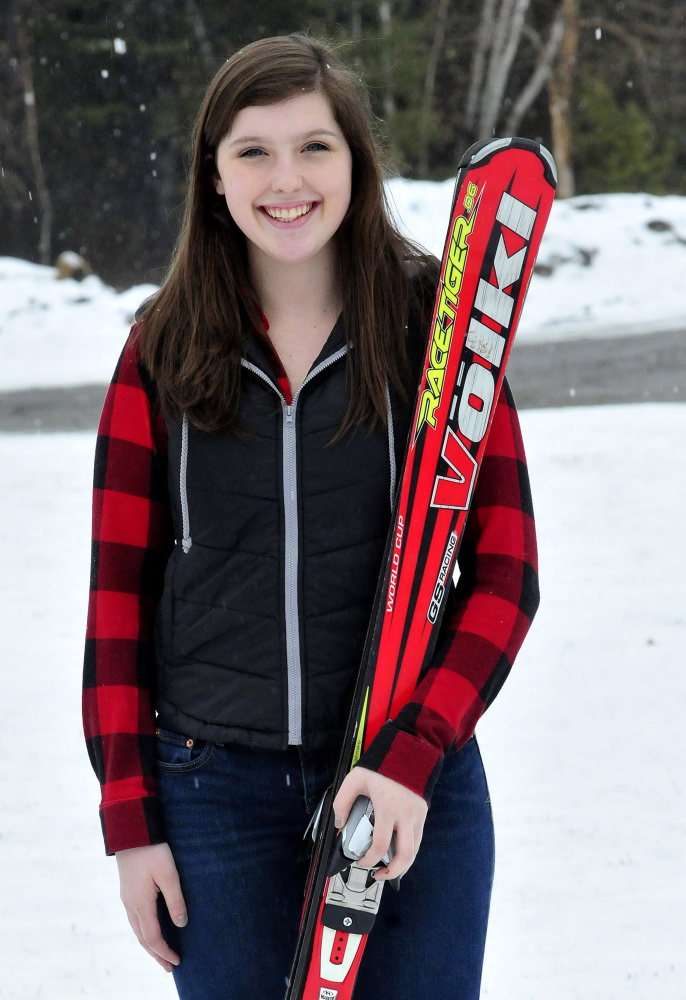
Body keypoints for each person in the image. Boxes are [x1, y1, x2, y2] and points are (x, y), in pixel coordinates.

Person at [83, 33, 539, 1000]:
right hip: (216, 797)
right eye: (253, 151)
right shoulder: (162, 353)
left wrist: (413, 754)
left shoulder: (436, 332)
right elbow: (118, 605)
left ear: (355, 164)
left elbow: (505, 575)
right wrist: (132, 823)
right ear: (213, 174)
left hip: (409, 784)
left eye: (314, 147)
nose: (285, 179)